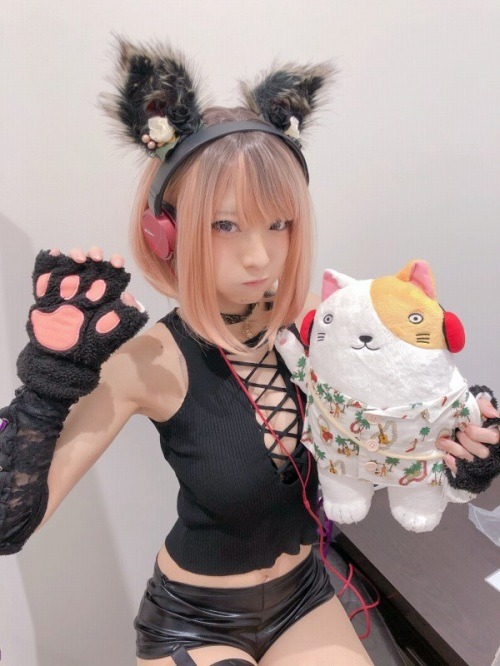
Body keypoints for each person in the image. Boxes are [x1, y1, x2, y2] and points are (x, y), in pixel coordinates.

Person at [1, 37, 499, 666]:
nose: (260, 256)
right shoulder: (148, 362)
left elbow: (391, 432)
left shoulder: (321, 328)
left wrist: (462, 452)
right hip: (195, 618)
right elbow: (9, 523)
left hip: (305, 594)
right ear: (165, 234)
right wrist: (49, 380)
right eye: (226, 225)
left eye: (278, 223)